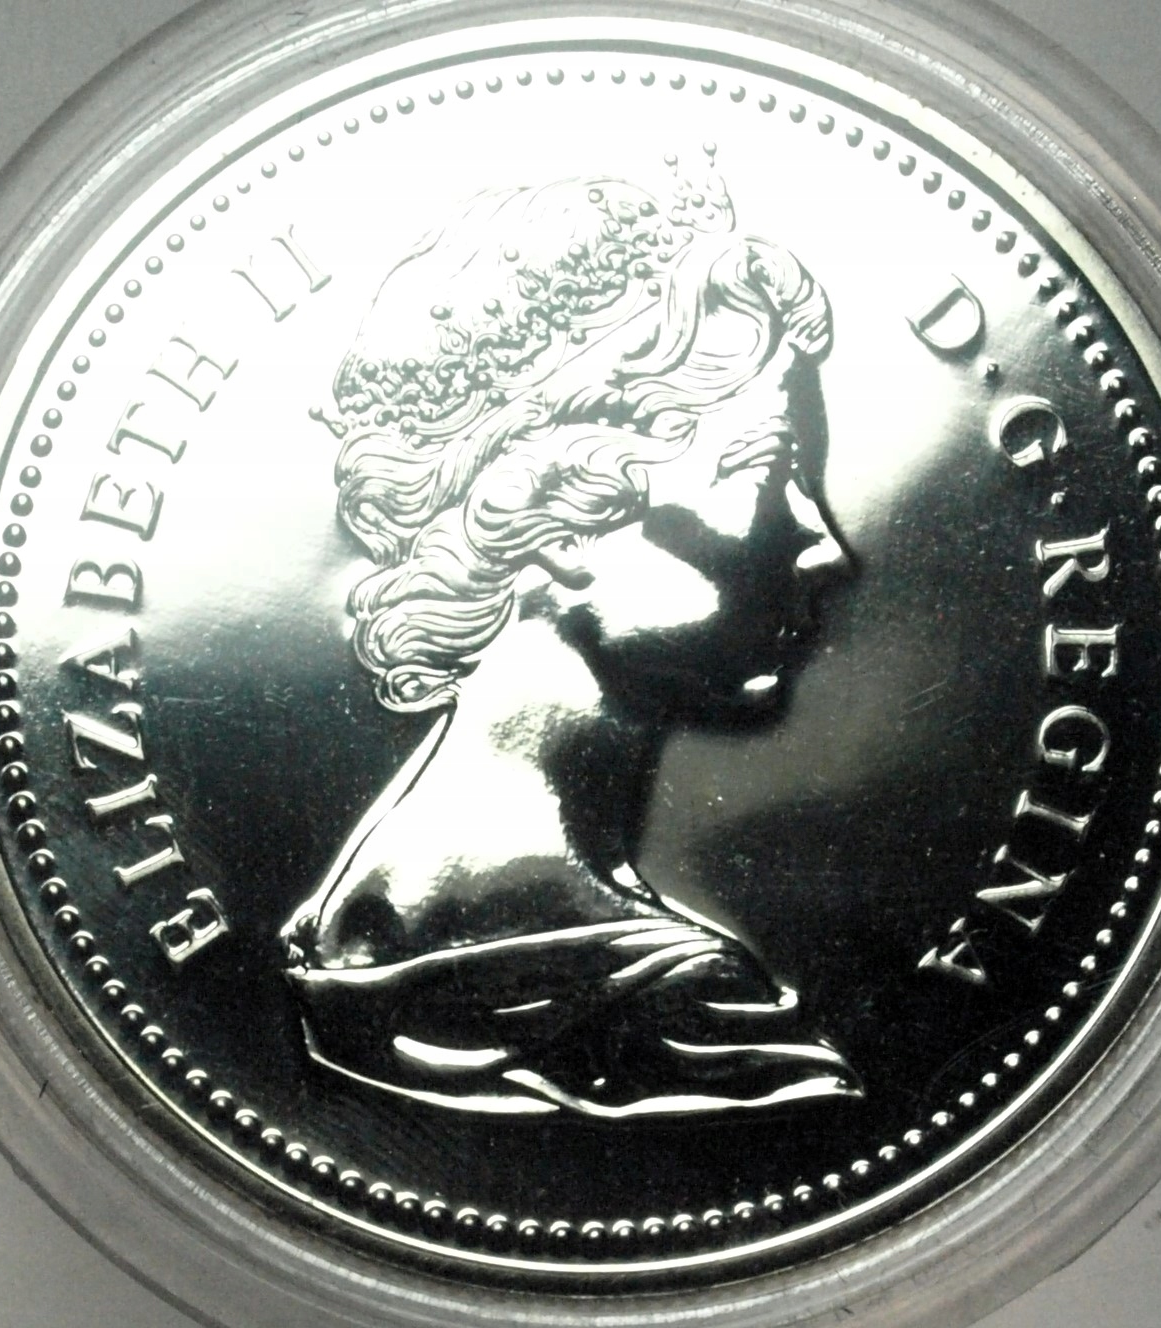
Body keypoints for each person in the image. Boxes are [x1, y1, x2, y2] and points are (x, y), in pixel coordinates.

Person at [282, 148, 862, 1118]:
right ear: (553, 516)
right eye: (768, 475)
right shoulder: (685, 1025)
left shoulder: (345, 934)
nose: (827, 547)